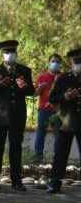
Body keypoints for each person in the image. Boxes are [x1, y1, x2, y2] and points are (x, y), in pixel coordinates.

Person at [0, 39, 35, 191]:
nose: (10, 55)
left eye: (12, 52)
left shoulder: (24, 70)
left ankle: (16, 181)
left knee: (16, 147)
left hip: (17, 115)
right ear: (2, 54)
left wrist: (24, 87)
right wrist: (0, 84)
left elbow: (31, 91)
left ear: (16, 53)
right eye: (7, 52)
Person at [47, 49, 81, 194]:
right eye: (76, 62)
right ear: (70, 63)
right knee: (60, 153)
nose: (78, 64)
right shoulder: (63, 78)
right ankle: (55, 182)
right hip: (66, 120)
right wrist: (65, 96)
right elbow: (52, 98)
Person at [34, 53, 64, 160]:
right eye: (53, 61)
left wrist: (57, 81)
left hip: (57, 110)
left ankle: (58, 158)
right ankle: (38, 156)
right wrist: (40, 88)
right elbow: (35, 94)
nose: (55, 63)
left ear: (60, 64)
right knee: (40, 133)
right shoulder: (42, 77)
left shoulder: (63, 77)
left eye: (57, 62)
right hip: (44, 110)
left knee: (59, 135)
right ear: (49, 63)